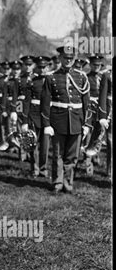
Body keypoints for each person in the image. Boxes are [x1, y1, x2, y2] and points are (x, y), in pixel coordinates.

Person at [40, 46, 91, 193]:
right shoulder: (51, 77)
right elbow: (45, 102)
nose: (68, 61)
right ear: (60, 58)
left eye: (71, 58)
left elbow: (86, 103)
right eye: (65, 58)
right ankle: (57, 182)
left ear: (74, 59)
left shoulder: (82, 77)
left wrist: (87, 123)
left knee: (72, 155)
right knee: (58, 154)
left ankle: (68, 182)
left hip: (76, 120)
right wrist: (46, 124)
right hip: (58, 120)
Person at [21, 56, 51, 178]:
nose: (42, 69)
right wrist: (24, 120)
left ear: (48, 67)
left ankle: (43, 169)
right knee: (33, 144)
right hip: (34, 114)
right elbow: (26, 101)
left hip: (47, 116)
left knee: (45, 145)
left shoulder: (52, 80)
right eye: (40, 67)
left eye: (45, 67)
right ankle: (35, 169)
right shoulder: (32, 81)